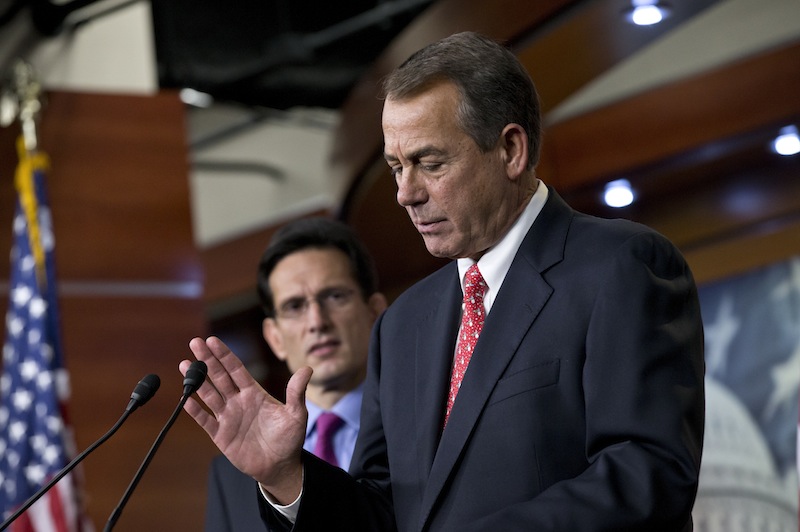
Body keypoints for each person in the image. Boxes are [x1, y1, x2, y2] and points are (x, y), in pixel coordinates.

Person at [181, 31, 705, 531]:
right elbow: (385, 515)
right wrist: (288, 476)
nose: (406, 193)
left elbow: (649, 476)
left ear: (510, 151)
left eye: (428, 164)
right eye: (394, 168)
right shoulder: (404, 323)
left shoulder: (618, 267)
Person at [202, 217, 387, 531]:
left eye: (335, 296)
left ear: (375, 312)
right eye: (294, 306)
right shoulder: (231, 474)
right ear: (274, 337)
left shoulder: (420, 425)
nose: (317, 321)